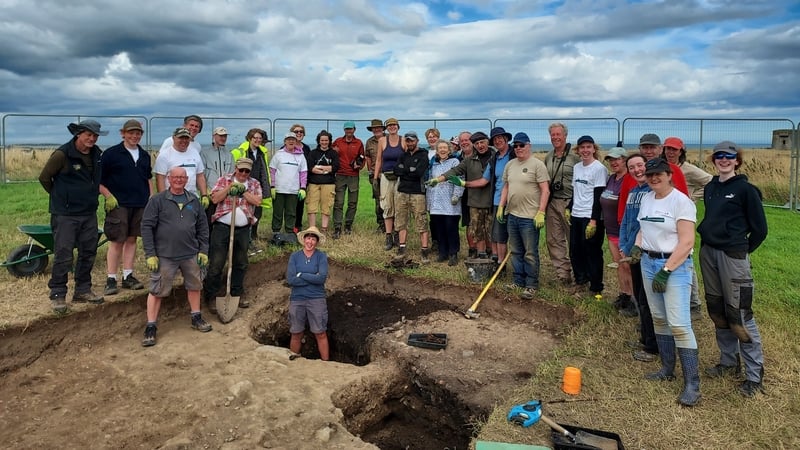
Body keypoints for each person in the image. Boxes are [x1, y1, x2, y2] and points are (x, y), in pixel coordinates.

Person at [698, 141, 768, 397]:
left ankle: (753, 374)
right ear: (713, 160)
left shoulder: (746, 190)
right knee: (717, 310)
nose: (724, 160)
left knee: (739, 312)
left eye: (729, 156)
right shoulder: (711, 188)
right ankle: (728, 361)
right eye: (719, 156)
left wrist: (741, 251)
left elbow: (760, 229)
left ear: (737, 160)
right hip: (709, 254)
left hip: (733, 256)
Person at [633, 157, 700, 407]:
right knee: (659, 318)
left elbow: (687, 242)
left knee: (680, 323)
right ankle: (667, 368)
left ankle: (692, 383)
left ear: (669, 174)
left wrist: (666, 270)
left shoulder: (681, 202)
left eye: (658, 174)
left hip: (674, 266)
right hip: (648, 264)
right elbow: (644, 228)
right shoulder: (647, 199)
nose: (653, 178)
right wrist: (638, 248)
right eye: (650, 175)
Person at [38, 119, 108, 312]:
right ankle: (58, 294)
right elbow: (44, 178)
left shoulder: (97, 155)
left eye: (95, 136)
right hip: (65, 214)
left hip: (88, 212)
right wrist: (61, 198)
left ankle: (83, 290)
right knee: (63, 254)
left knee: (88, 252)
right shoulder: (62, 154)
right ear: (78, 134)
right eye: (88, 135)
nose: (92, 139)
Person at [140, 167, 211, 347]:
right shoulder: (157, 200)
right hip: (164, 255)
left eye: (182, 177)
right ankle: (151, 326)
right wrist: (150, 254)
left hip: (190, 253)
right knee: (157, 290)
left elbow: (203, 228)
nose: (179, 180)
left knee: (195, 285)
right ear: (168, 179)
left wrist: (203, 250)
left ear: (187, 180)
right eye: (175, 177)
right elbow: (146, 227)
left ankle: (196, 317)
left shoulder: (193, 200)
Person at [99, 119, 153, 296]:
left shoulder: (144, 155)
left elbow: (147, 178)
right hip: (118, 204)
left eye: (138, 133)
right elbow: (98, 180)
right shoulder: (111, 154)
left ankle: (128, 276)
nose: (134, 136)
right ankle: (111, 278)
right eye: (131, 133)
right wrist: (108, 195)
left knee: (131, 239)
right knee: (117, 241)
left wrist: (151, 198)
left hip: (139, 204)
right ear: (123, 133)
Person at [203, 158, 263, 312]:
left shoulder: (254, 183)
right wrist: (229, 188)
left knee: (240, 262)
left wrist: (243, 191)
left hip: (243, 230)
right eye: (241, 170)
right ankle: (211, 296)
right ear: (236, 168)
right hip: (222, 228)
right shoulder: (224, 179)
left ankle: (236, 293)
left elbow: (257, 201)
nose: (243, 173)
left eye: (246, 171)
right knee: (217, 263)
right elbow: (214, 198)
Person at [662, 136, 712, 314]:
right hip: (665, 216)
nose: (670, 152)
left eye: (674, 149)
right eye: (667, 148)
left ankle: (694, 303)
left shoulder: (688, 169)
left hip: (683, 217)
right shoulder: (663, 167)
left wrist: (692, 198)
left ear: (681, 151)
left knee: (684, 255)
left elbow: (709, 181)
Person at [497, 132, 549, 300]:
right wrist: (501, 207)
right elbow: (506, 187)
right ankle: (518, 280)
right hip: (512, 215)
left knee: (530, 252)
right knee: (516, 251)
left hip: (529, 217)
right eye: (516, 146)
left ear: (529, 145)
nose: (518, 148)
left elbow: (545, 190)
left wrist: (541, 212)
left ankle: (531, 284)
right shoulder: (510, 165)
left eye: (522, 145)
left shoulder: (537, 165)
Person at [427, 131, 494, 259]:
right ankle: (478, 254)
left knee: (490, 230)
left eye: (482, 142)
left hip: (488, 199)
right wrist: (438, 179)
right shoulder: (466, 159)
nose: (479, 145)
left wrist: (460, 188)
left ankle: (492, 256)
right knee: (474, 227)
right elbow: (454, 172)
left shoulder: (493, 156)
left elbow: (482, 181)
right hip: (471, 199)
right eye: (477, 143)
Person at [619, 153, 659, 362]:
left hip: (646, 251)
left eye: (640, 165)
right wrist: (624, 245)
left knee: (648, 299)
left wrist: (636, 245)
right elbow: (627, 220)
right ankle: (645, 337)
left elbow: (647, 225)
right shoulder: (634, 192)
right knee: (640, 297)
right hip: (632, 250)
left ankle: (653, 346)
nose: (636, 170)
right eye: (632, 167)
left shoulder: (653, 193)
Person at [569, 135, 607, 295]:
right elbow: (575, 191)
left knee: (592, 251)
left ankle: (596, 286)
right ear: (578, 150)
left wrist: (594, 220)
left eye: (588, 147)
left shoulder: (599, 169)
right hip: (576, 214)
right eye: (582, 147)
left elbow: (599, 197)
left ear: (594, 149)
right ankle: (580, 280)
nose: (585, 150)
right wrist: (569, 207)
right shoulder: (577, 167)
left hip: (590, 217)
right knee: (575, 250)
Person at [599, 145, 635, 316]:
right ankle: (624, 294)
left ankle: (635, 300)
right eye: (611, 160)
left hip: (624, 231)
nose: (614, 162)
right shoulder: (611, 179)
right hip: (611, 230)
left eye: (617, 159)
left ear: (625, 160)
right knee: (620, 265)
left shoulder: (630, 179)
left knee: (627, 266)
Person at [286, 226, 330, 361]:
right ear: (304, 239)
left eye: (313, 239)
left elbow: (322, 278)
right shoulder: (294, 256)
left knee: (320, 333)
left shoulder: (321, 256)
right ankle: (293, 362)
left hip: (316, 299)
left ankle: (326, 364)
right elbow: (291, 279)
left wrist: (302, 274)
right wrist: (312, 277)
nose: (310, 241)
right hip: (297, 299)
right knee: (296, 332)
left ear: (316, 242)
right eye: (308, 238)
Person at [544, 122, 580, 285]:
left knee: (573, 239)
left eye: (558, 134)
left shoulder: (574, 158)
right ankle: (562, 274)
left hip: (569, 202)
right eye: (553, 135)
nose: (555, 137)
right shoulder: (548, 156)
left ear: (565, 135)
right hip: (552, 202)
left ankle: (579, 273)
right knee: (554, 239)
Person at [473, 126, 514, 267]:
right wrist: (463, 183)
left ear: (506, 139)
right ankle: (499, 264)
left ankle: (517, 267)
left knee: (515, 237)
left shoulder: (515, 154)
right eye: (495, 139)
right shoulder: (494, 158)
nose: (497, 141)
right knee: (497, 235)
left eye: (500, 138)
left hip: (516, 202)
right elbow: (484, 180)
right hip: (498, 201)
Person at [393, 132, 431, 262]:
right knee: (401, 220)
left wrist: (405, 170)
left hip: (417, 192)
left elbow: (419, 172)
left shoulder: (423, 154)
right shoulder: (402, 155)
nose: (410, 143)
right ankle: (402, 248)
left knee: (421, 220)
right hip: (402, 191)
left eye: (412, 141)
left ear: (417, 141)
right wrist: (410, 170)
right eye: (407, 141)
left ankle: (424, 250)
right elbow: (396, 170)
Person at [231, 128, 271, 250]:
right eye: (255, 138)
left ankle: (253, 236)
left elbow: (264, 169)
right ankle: (244, 240)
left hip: (258, 185)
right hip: (244, 185)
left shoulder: (262, 152)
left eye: (260, 138)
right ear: (249, 138)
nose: (258, 140)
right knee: (245, 212)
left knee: (257, 212)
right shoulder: (239, 151)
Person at [426, 139, 463, 265]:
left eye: (444, 148)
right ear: (436, 150)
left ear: (449, 149)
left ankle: (453, 253)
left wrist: (456, 196)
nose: (442, 150)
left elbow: (459, 179)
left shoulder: (454, 162)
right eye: (439, 148)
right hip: (436, 203)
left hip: (450, 202)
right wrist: (429, 202)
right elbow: (430, 182)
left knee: (451, 228)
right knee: (439, 229)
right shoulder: (434, 164)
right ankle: (443, 253)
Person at [154, 127, 209, 206]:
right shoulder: (164, 155)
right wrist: (163, 200)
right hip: (171, 199)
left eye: (186, 138)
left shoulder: (194, 152)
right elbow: (160, 179)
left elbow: (200, 176)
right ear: (173, 138)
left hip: (192, 198)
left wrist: (204, 195)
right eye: (181, 138)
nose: (184, 141)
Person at [373, 118, 406, 250]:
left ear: (398, 127)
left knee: (399, 206)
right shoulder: (382, 141)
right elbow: (379, 160)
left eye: (394, 125)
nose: (392, 127)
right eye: (389, 125)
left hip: (399, 177)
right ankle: (388, 235)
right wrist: (375, 178)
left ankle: (398, 233)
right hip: (386, 176)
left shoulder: (403, 140)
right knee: (387, 206)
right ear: (387, 128)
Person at [270, 133, 308, 235]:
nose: (291, 141)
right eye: (288, 139)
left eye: (293, 140)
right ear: (285, 142)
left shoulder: (301, 156)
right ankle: (276, 232)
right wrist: (272, 186)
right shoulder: (278, 154)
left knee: (291, 213)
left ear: (296, 142)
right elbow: (272, 170)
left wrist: (303, 188)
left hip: (293, 190)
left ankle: (289, 233)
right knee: (277, 213)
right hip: (279, 189)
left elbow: (303, 173)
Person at [332, 121, 365, 238]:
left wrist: (359, 165)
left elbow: (362, 157)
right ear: (344, 130)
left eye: (350, 129)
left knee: (352, 202)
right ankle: (337, 227)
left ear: (354, 130)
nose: (348, 131)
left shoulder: (359, 143)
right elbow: (330, 154)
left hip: (353, 175)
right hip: (340, 175)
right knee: (339, 202)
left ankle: (348, 225)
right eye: (346, 129)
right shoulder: (337, 141)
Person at [305, 130, 339, 232]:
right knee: (311, 206)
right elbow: (311, 167)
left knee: (326, 206)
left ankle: (324, 229)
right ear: (319, 141)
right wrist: (326, 170)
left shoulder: (333, 153)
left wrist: (320, 168)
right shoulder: (313, 153)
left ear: (329, 141)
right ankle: (312, 228)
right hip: (313, 183)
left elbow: (335, 167)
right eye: (322, 140)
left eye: (326, 140)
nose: (324, 142)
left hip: (328, 184)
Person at [200, 126, 233, 203]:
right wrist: (205, 192)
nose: (223, 138)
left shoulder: (229, 154)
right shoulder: (204, 153)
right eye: (220, 136)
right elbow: (201, 174)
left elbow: (232, 174)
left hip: (226, 194)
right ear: (214, 136)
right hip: (210, 194)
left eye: (225, 136)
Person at [364, 119, 386, 232]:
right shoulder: (369, 142)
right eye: (374, 128)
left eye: (378, 127)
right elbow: (367, 157)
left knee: (390, 200)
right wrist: (370, 172)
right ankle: (381, 225)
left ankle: (392, 225)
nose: (376, 130)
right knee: (378, 201)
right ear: (372, 130)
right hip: (375, 175)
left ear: (382, 128)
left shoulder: (389, 139)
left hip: (388, 174)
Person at [291, 124, 312, 232]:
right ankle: (289, 226)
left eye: (301, 132)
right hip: (289, 181)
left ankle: (297, 227)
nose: (299, 133)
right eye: (296, 131)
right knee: (290, 205)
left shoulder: (307, 148)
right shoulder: (286, 147)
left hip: (302, 182)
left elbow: (309, 165)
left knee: (300, 205)